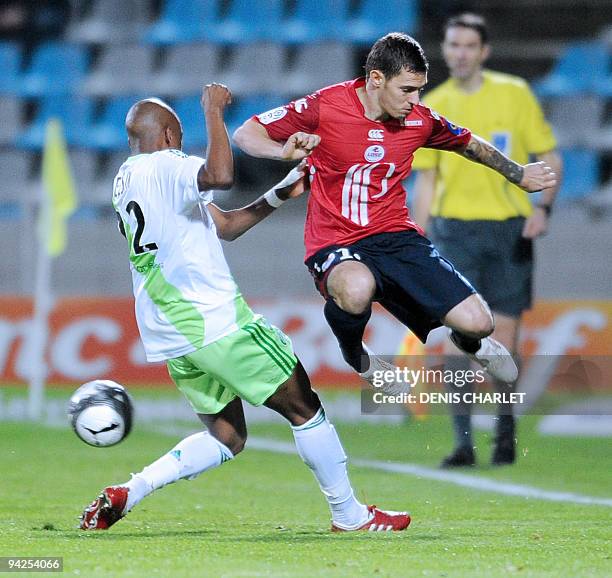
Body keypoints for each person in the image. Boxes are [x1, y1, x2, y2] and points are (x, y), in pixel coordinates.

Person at [79, 84, 410, 533]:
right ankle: (349, 516)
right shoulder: (168, 165)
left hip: (171, 333)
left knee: (227, 435)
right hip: (214, 321)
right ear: (171, 137)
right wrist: (214, 112)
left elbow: (228, 226)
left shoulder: (128, 180)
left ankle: (129, 491)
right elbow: (219, 176)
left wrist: (280, 192)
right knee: (305, 407)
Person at [233, 33, 556, 406]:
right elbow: (247, 133)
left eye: (419, 89)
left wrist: (517, 174)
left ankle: (471, 343)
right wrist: (281, 151)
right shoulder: (324, 106)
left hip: (396, 236)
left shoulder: (419, 120)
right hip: (334, 239)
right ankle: (360, 359)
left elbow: (469, 144)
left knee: (480, 322)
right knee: (355, 288)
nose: (414, 100)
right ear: (375, 80)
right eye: (406, 90)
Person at [410, 14, 562, 467]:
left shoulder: (513, 94)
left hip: (508, 229)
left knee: (506, 339)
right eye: (452, 45)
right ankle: (463, 442)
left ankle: (505, 431)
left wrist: (543, 209)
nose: (459, 53)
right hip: (454, 230)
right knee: (461, 338)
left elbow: (548, 155)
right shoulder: (432, 105)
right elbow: (427, 182)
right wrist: (420, 237)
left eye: (467, 46)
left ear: (483, 51)